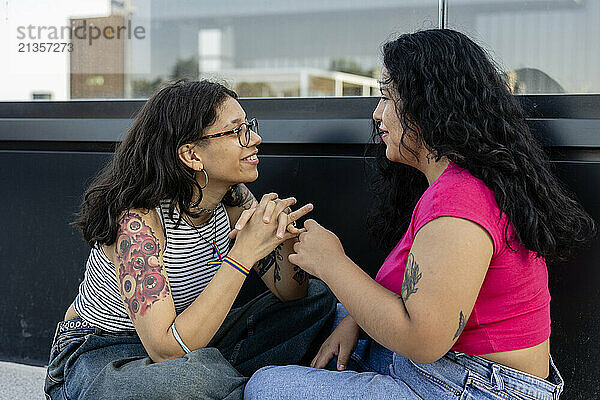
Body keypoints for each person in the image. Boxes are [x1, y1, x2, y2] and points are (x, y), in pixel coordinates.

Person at [244, 29, 596, 399]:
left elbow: (424, 340)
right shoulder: (457, 184)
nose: (378, 116)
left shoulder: (459, 203)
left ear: (427, 106)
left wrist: (331, 262)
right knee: (326, 315)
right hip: (449, 369)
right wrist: (354, 321)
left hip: (472, 387)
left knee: (267, 387)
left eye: (385, 98)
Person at [43, 80, 337, 400]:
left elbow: (291, 294)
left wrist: (282, 241)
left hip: (191, 342)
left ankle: (221, 381)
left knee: (317, 298)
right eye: (236, 130)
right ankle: (228, 383)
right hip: (103, 352)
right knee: (189, 380)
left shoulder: (233, 195)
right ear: (192, 154)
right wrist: (243, 253)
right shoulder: (138, 221)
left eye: (249, 126)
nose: (254, 139)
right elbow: (166, 351)